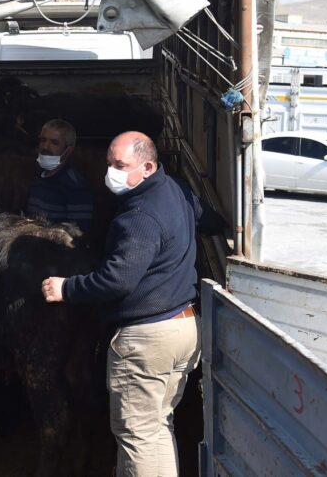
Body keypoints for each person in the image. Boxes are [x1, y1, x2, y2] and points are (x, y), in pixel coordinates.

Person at [41, 131, 222, 477]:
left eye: (121, 165)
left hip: (147, 340)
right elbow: (211, 220)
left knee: (138, 434)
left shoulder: (138, 216)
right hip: (184, 327)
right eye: (110, 163)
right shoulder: (177, 190)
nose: (111, 172)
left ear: (148, 166)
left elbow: (117, 279)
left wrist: (68, 288)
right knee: (155, 427)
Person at [26, 119, 94, 230]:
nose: (45, 147)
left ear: (68, 150)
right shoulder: (37, 178)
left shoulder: (75, 186)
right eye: (43, 140)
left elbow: (78, 233)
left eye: (54, 143)